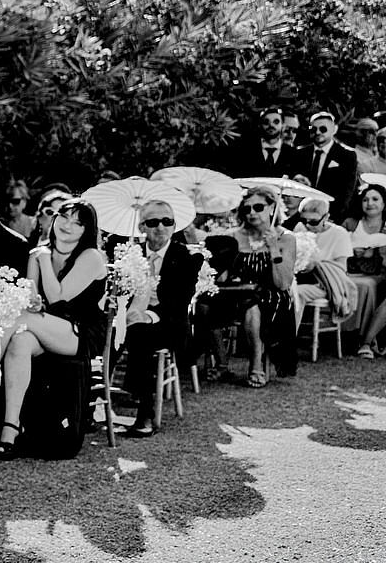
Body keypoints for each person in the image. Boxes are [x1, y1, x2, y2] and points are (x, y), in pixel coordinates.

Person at [0, 199, 109, 460]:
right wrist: (34, 299)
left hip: (80, 332)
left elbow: (58, 298)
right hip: (44, 325)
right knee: (20, 341)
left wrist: (45, 260)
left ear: (86, 230)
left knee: (19, 317)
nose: (68, 225)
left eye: (78, 223)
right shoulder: (39, 252)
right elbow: (35, 298)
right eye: (65, 217)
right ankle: (10, 429)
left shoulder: (91, 256)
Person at [120, 200, 202, 438]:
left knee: (139, 335)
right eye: (153, 222)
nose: (160, 227)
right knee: (100, 333)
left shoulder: (185, 257)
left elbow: (179, 304)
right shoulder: (128, 253)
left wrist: (148, 316)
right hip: (128, 318)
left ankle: (144, 412)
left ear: (174, 225)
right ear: (142, 227)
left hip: (168, 323)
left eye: (167, 222)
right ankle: (88, 405)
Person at [205, 184, 298, 387]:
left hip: (271, 294)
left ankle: (256, 365)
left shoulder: (285, 238)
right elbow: (221, 276)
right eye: (246, 209)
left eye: (258, 207)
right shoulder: (233, 236)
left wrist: (274, 248)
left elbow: (283, 284)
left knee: (252, 304)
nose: (251, 213)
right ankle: (222, 364)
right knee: (205, 303)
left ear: (272, 208)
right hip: (237, 290)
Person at [293, 194, 367, 349]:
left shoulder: (339, 233)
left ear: (326, 217)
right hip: (301, 278)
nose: (308, 225)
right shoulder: (300, 229)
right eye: (304, 220)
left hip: (326, 284)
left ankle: (288, 339)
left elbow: (340, 269)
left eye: (313, 222)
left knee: (297, 293)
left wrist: (316, 264)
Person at [345, 182, 386, 356]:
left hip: (378, 272)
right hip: (349, 269)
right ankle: (349, 335)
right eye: (365, 199)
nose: (370, 203)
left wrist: (375, 253)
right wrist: (352, 252)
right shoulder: (351, 223)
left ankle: (364, 337)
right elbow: (336, 246)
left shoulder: (385, 226)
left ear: (384, 203)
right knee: (355, 283)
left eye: (375, 199)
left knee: (368, 285)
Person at [301, 111, 361, 218]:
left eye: (323, 129)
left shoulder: (346, 155)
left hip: (331, 215)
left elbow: (347, 191)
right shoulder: (301, 153)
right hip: (303, 213)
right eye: (314, 129)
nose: (318, 132)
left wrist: (333, 217)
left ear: (334, 129)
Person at [223, 106, 304, 181]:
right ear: (260, 125)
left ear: (283, 125)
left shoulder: (294, 154)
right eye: (266, 122)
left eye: (276, 121)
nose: (271, 125)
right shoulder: (244, 149)